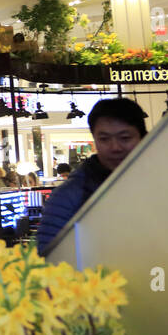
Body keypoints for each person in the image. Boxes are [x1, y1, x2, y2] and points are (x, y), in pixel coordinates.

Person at [37, 98, 147, 253]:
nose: (115, 147)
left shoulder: (163, 182)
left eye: (125, 138)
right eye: (104, 139)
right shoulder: (69, 196)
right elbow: (48, 260)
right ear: (94, 139)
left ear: (143, 137)